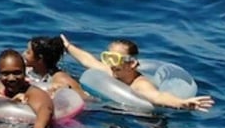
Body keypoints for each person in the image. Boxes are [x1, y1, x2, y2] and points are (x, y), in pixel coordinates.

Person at [62, 35, 214, 110]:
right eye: (107, 57)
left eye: (115, 58)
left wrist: (181, 103)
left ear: (132, 63)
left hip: (144, 120)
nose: (110, 63)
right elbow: (89, 61)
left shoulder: (140, 85)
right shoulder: (112, 71)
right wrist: (68, 46)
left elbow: (158, 96)